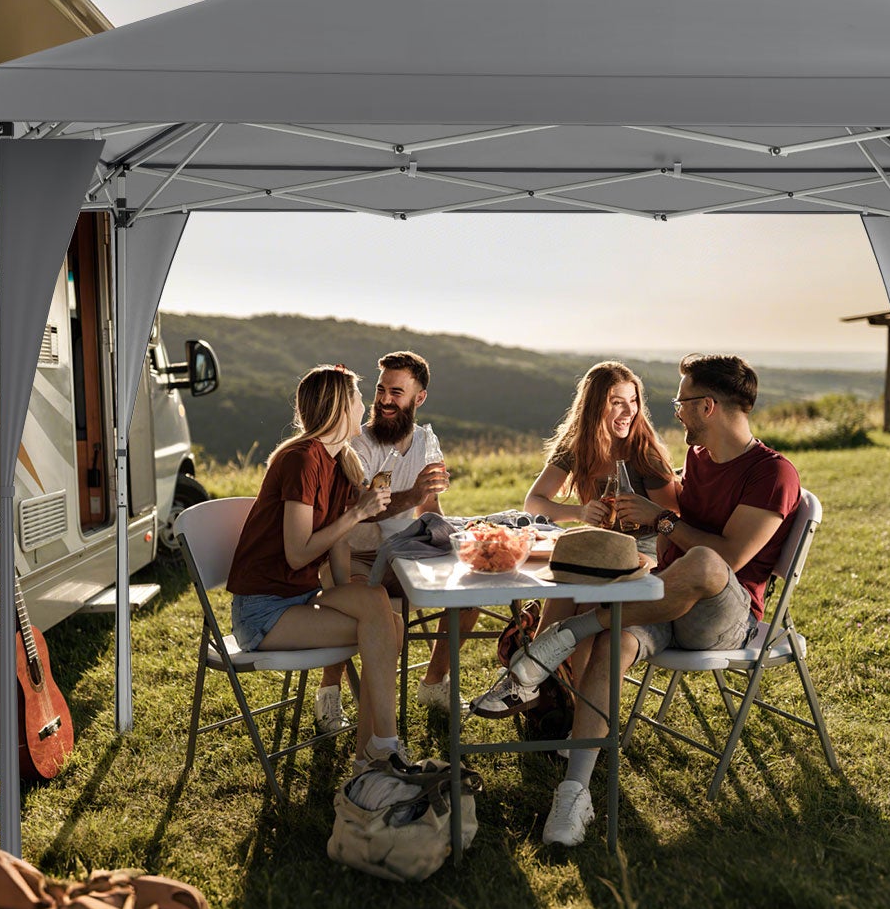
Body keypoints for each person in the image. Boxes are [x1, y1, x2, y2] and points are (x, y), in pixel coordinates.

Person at [472, 354, 800, 848]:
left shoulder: (773, 473)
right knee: (613, 643)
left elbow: (728, 558)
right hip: (664, 604)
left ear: (708, 406)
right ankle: (574, 790)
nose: (676, 412)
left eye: (682, 402)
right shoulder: (698, 460)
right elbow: (665, 547)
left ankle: (562, 639)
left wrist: (660, 521)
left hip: (724, 616)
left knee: (707, 562)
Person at [226, 364, 408, 773]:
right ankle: (381, 749)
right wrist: (358, 512)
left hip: (301, 598)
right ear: (340, 406)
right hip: (263, 611)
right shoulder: (301, 459)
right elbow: (297, 553)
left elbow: (339, 542)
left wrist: (350, 599)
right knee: (383, 626)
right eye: (360, 397)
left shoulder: (341, 461)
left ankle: (373, 752)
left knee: (381, 611)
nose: (368, 404)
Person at [314, 350, 477, 732]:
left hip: (405, 554)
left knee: (468, 592)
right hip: (354, 554)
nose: (385, 400)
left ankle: (434, 683)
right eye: (381, 389)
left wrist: (442, 530)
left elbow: (430, 506)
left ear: (418, 398)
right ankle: (329, 691)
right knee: (358, 601)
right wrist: (412, 496)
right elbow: (358, 509)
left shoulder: (425, 442)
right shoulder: (359, 444)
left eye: (397, 392)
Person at [521, 361, 678, 677]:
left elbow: (675, 518)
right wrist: (579, 512)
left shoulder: (643, 452)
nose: (628, 411)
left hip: (647, 552)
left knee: (583, 597)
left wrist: (644, 518)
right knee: (566, 584)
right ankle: (539, 682)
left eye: (633, 401)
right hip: (601, 548)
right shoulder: (577, 447)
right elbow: (533, 502)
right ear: (594, 406)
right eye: (617, 402)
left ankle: (569, 699)